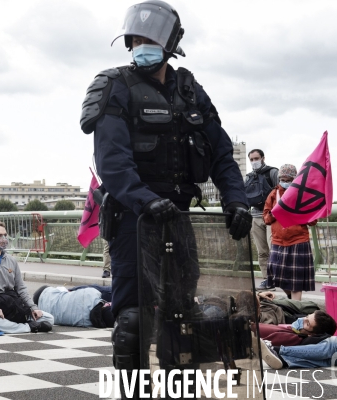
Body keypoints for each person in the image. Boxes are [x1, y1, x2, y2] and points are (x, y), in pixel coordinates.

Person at [79, 0, 252, 392]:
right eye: (135, 39)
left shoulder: (189, 90)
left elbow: (223, 153)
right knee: (134, 321)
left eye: (149, 39)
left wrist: (236, 200)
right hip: (134, 219)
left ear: (170, 44)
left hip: (178, 217)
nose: (141, 45)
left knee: (181, 317)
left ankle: (180, 388)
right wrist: (144, 200)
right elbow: (112, 162)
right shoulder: (114, 86)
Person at [0, 221, 54, 333]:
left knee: (49, 318)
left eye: (5, 235)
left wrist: (33, 308)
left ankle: (17, 326)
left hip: (13, 306)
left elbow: (21, 288)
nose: (3, 238)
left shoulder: (11, 260)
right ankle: (28, 327)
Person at [264, 164, 317, 300]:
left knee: (296, 281)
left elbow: (313, 220)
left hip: (298, 240)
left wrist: (300, 213)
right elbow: (266, 218)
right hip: (278, 241)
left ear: (295, 179)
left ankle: (296, 309)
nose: (285, 182)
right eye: (283, 179)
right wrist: (274, 213)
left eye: (288, 179)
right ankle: (291, 301)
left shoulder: (303, 194)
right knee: (276, 275)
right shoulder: (273, 194)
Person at [246, 150, 279, 290]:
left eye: (256, 158)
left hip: (271, 216)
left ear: (263, 158)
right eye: (251, 159)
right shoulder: (248, 177)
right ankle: (267, 279)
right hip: (255, 216)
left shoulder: (272, 172)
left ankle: (278, 277)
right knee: (262, 251)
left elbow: (281, 192)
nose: (254, 162)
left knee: (274, 248)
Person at [33, 285, 114, 328]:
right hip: (88, 300)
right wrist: (71, 290)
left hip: (87, 317)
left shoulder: (87, 322)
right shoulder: (92, 293)